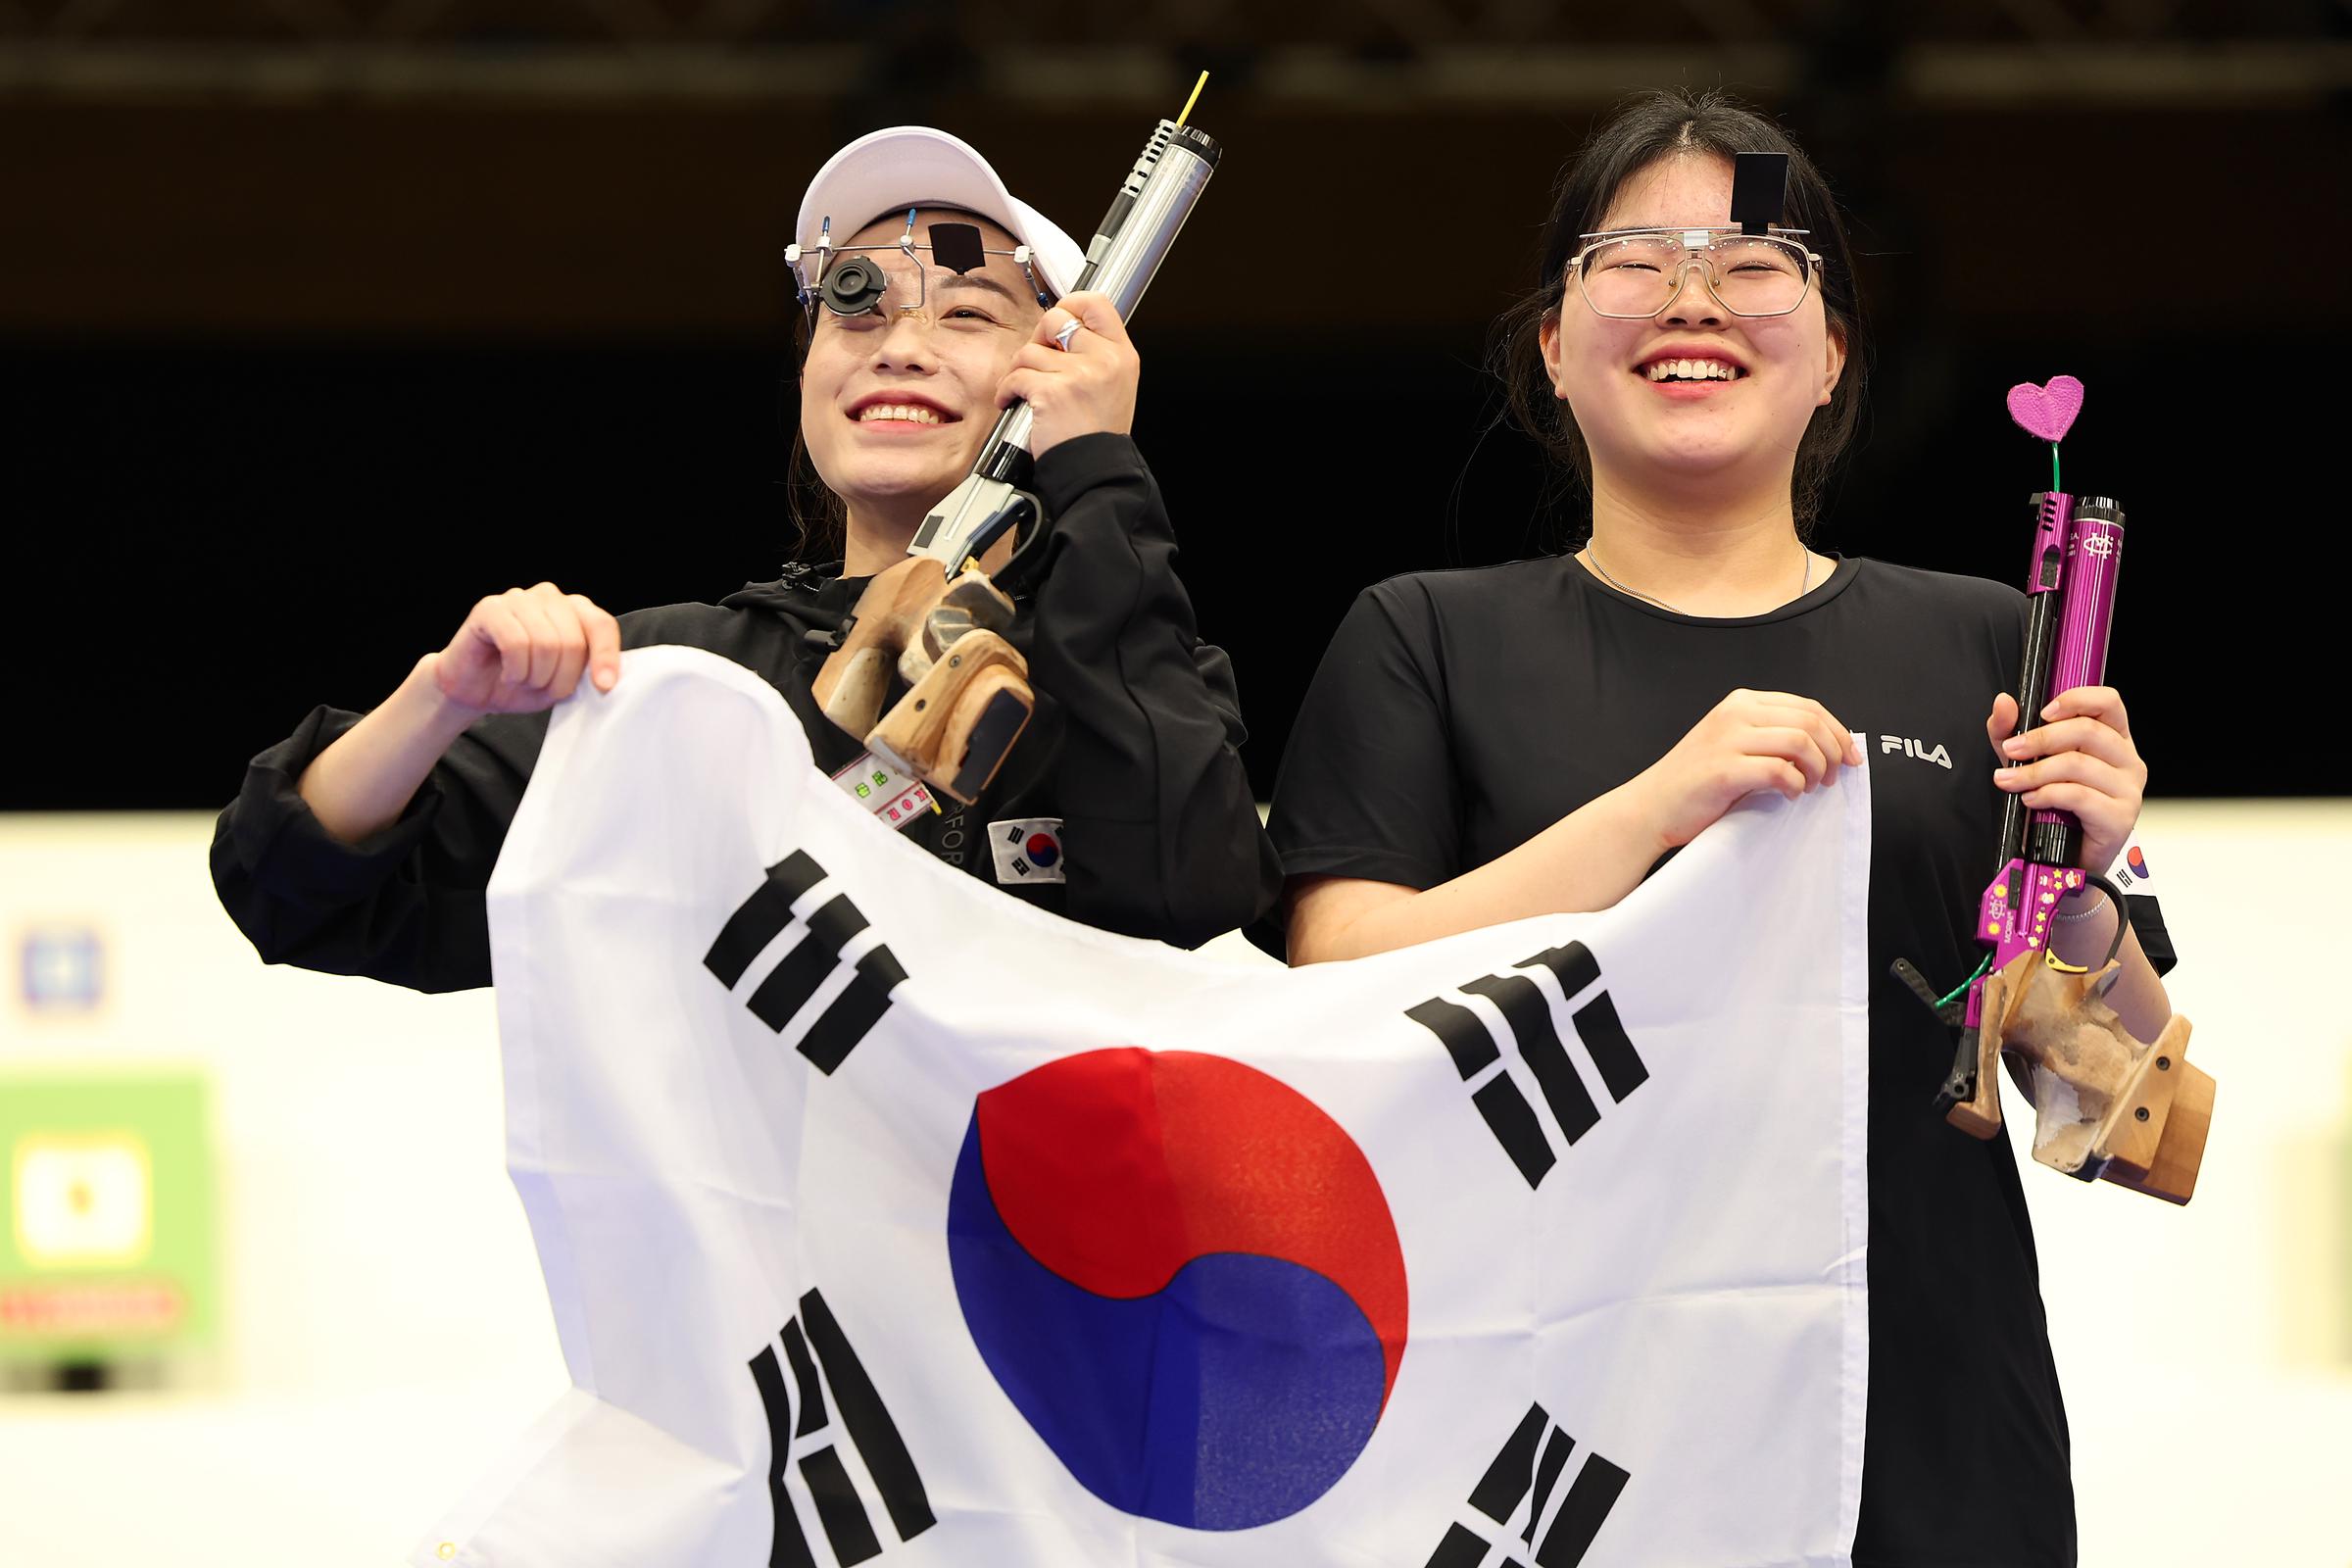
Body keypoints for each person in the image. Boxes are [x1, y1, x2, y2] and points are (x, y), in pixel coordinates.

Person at [1266, 89, 2173, 1566]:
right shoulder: (1426, 638)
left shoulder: (1982, 646)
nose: (1694, 294)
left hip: (1925, 1451)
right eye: (1635, 256)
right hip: (1543, 1451)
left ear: (1832, 358)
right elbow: (1334, 993)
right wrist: (1653, 810)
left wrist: (2078, 901)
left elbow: (2111, 1131)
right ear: (1554, 347)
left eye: (1757, 260)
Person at [213, 125, 1277, 989]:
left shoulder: (1128, 669)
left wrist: (1096, 467)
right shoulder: (684, 683)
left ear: (1054, 369)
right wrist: (444, 696)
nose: (900, 343)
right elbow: (299, 889)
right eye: (853, 307)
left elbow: (1193, 888)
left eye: (965, 311)